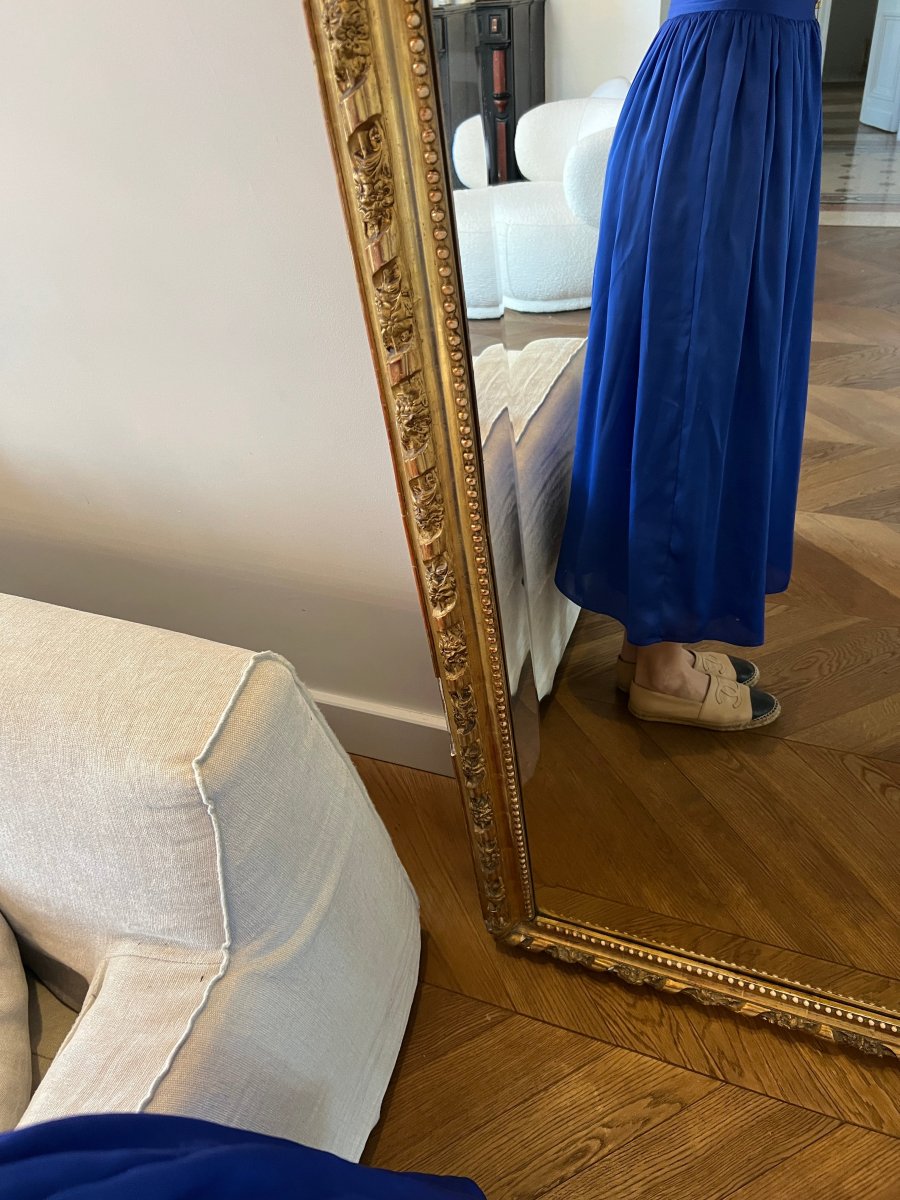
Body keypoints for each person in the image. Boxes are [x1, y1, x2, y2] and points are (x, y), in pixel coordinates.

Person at [555, 0, 823, 731]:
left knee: (715, 361)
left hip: (749, 82)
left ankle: (650, 637)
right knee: (691, 368)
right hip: (724, 86)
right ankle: (663, 670)